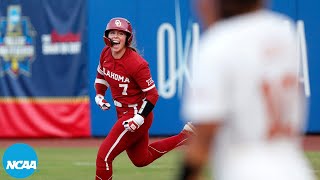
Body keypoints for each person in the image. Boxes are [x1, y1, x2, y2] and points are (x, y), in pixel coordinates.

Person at [179, 0, 316, 180]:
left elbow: (204, 137)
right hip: (295, 168)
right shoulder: (283, 31)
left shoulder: (218, 43)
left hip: (246, 170)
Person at [94, 17, 195, 180]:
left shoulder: (136, 63)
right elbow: (101, 76)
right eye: (112, 32)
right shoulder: (105, 53)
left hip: (135, 114)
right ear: (107, 36)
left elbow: (153, 94)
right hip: (122, 112)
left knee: (104, 157)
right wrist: (100, 95)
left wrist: (139, 118)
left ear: (128, 38)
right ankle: (185, 136)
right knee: (141, 159)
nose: (116, 37)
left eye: (121, 33)